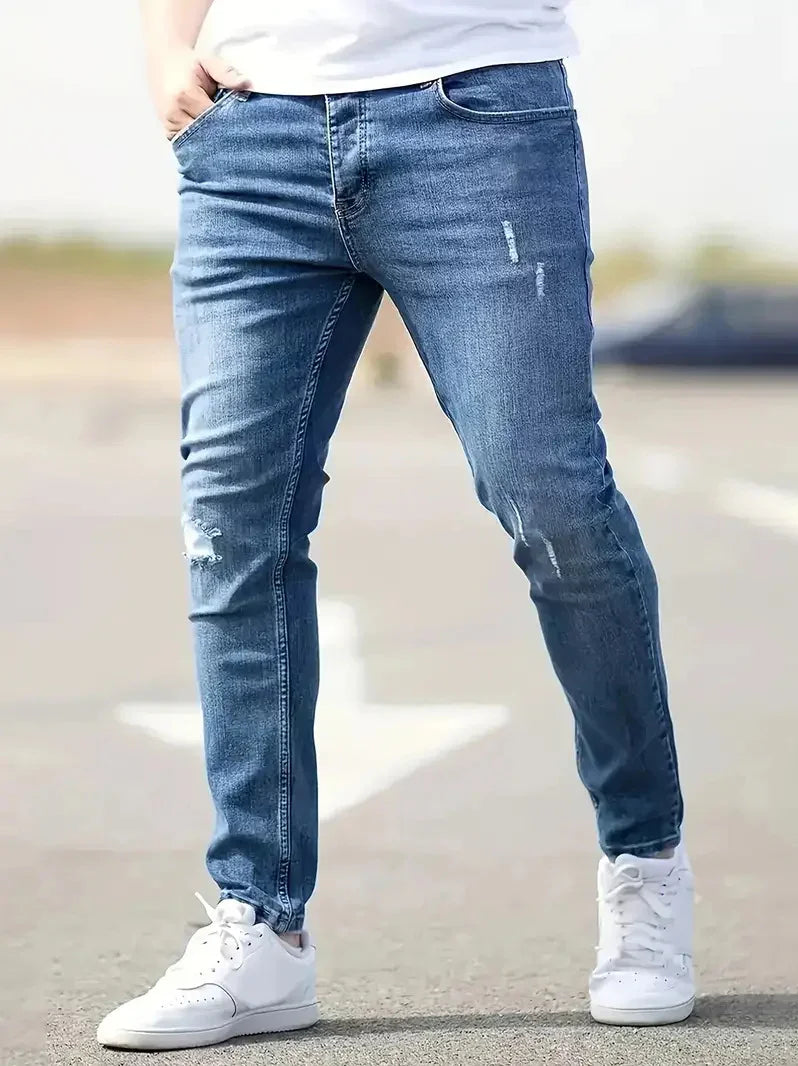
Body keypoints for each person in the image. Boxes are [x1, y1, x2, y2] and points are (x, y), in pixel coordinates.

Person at [97, 0, 695, 1050]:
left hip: (476, 112)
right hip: (250, 131)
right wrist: (161, 51)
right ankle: (260, 922)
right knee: (231, 526)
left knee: (547, 495)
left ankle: (643, 859)